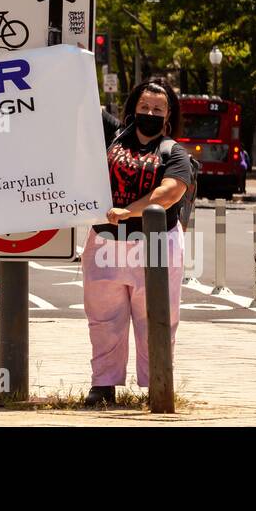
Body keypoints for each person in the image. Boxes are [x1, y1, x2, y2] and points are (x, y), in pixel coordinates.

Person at [83, 77, 194, 407]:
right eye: (144, 106)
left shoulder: (175, 153)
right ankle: (103, 384)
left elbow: (171, 191)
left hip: (155, 245)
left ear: (169, 116)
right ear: (132, 108)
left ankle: (157, 384)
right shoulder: (112, 136)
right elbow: (80, 102)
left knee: (157, 316)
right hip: (105, 241)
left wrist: (129, 211)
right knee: (104, 319)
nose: (150, 112)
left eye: (158, 108)